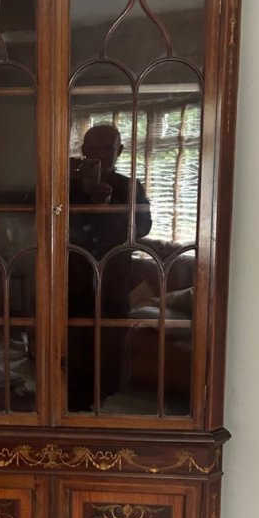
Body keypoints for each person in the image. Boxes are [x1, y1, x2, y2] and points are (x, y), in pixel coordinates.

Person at [67, 124, 152, 410]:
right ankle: (74, 405)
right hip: (73, 275)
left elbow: (143, 226)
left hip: (114, 278)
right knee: (74, 340)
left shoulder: (130, 187)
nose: (101, 156)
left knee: (111, 343)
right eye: (93, 149)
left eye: (107, 148)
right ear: (84, 152)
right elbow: (53, 227)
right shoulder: (66, 185)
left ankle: (103, 401)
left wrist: (113, 204)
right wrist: (89, 201)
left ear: (119, 151)